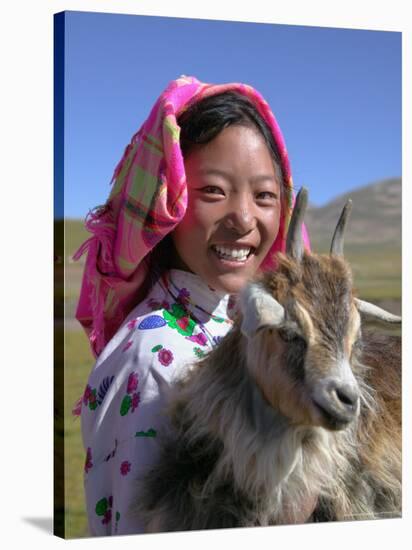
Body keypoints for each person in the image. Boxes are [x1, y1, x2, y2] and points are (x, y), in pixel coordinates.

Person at [73, 75, 310, 536]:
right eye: (213, 192)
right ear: (167, 200)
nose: (243, 218)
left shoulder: (233, 326)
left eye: (264, 196)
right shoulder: (157, 360)